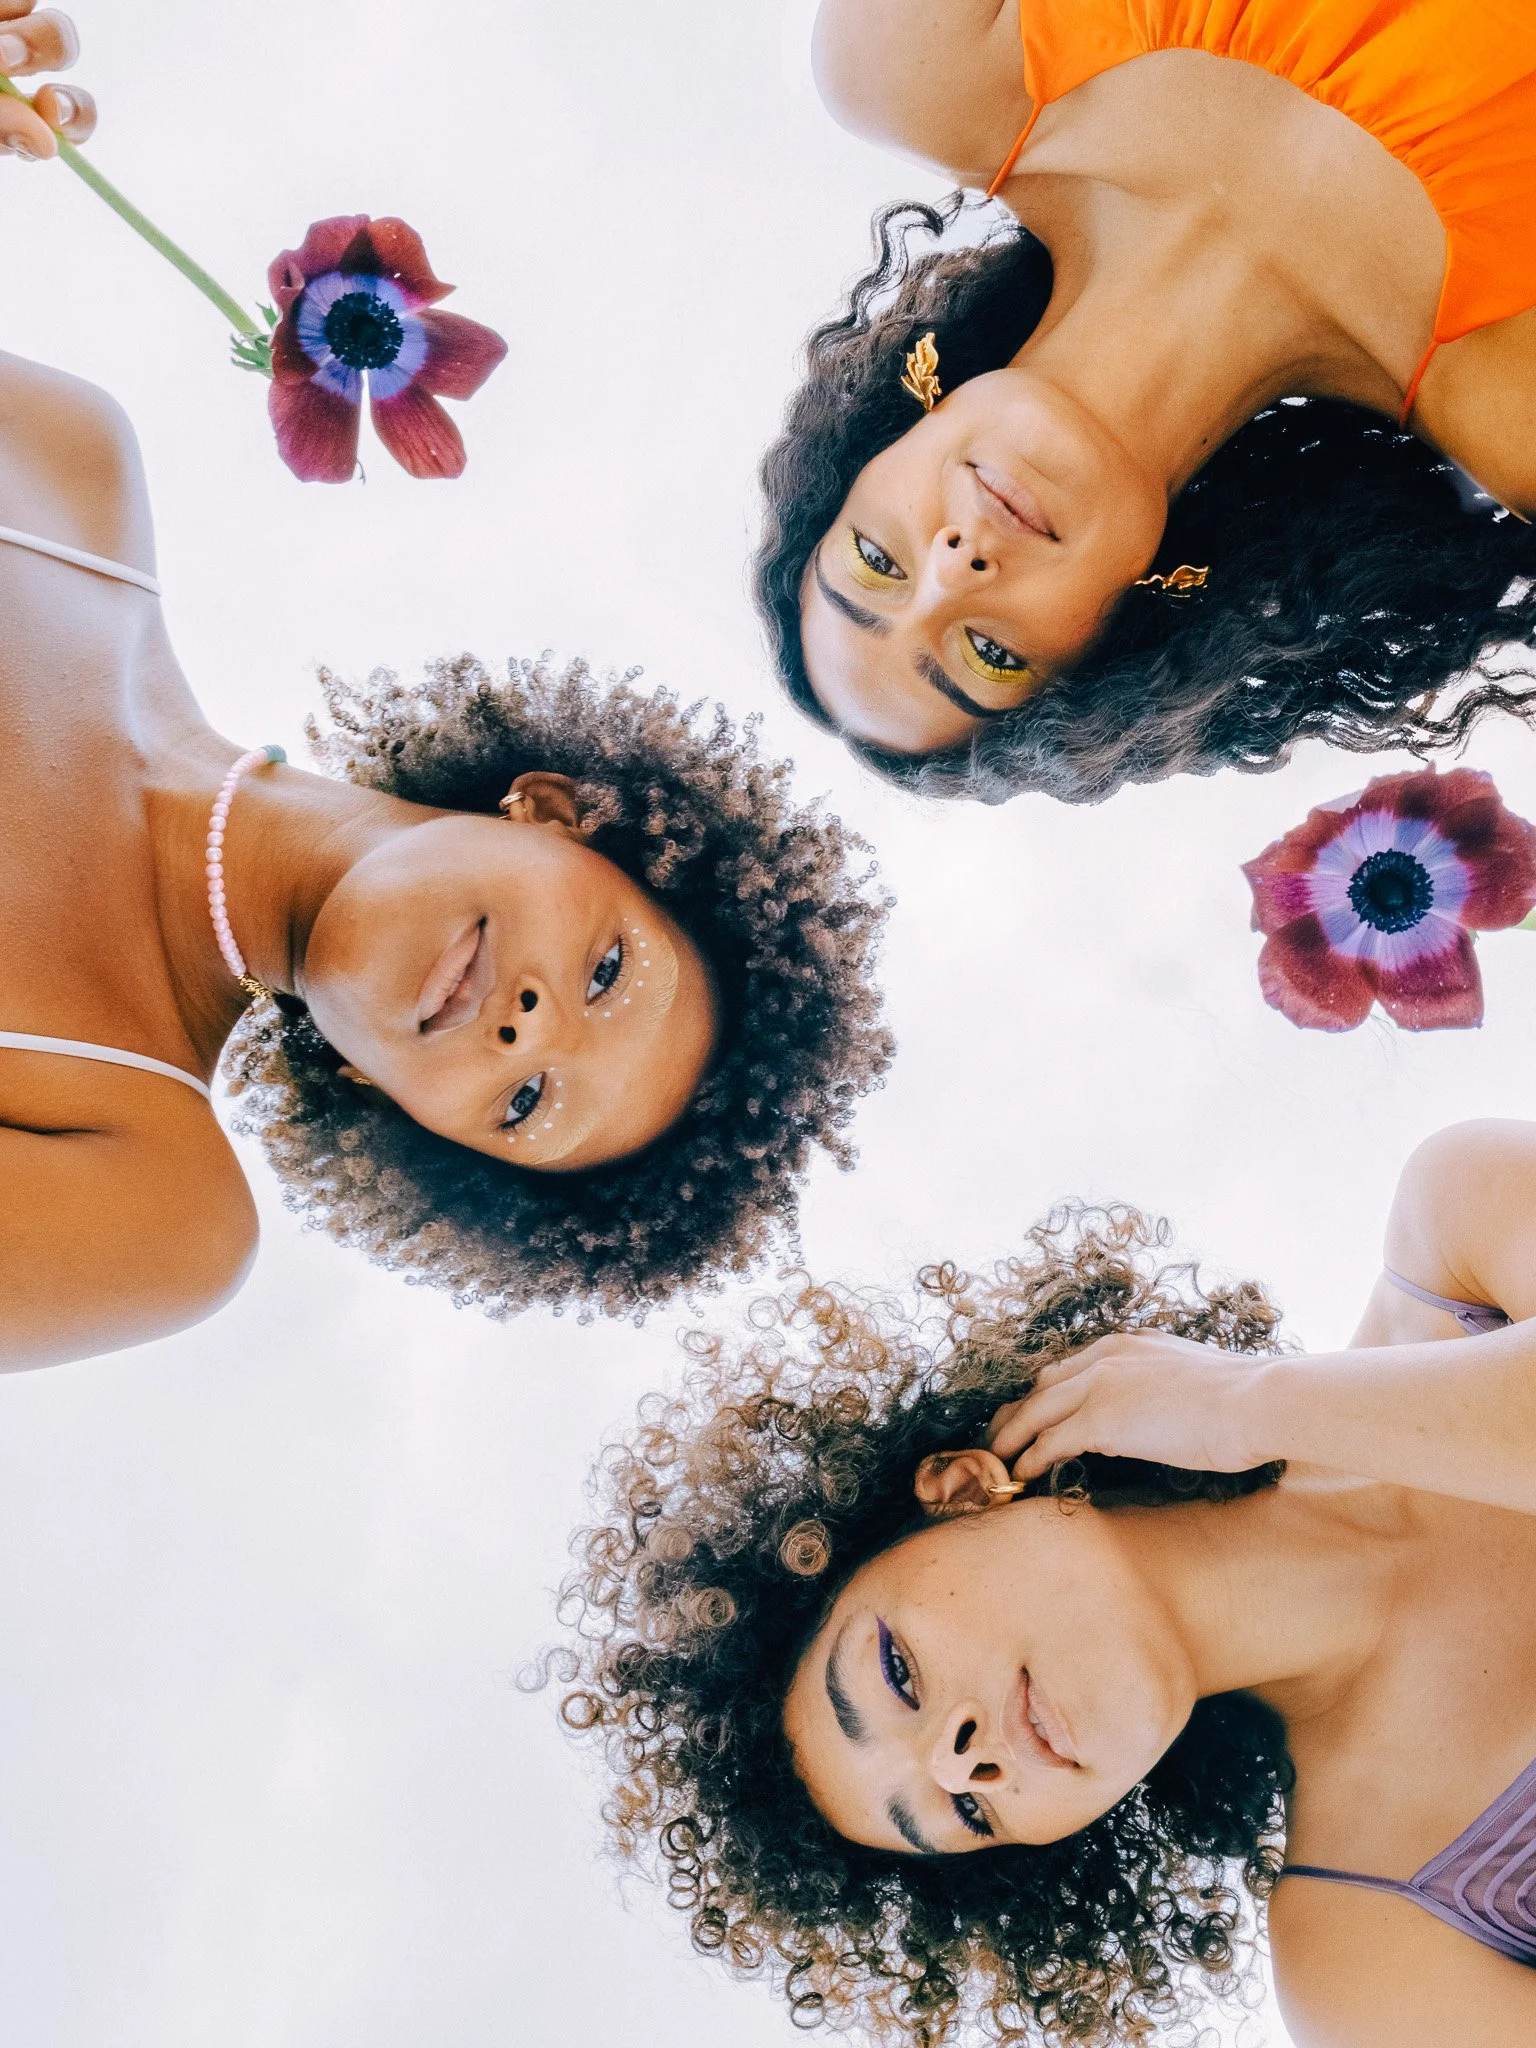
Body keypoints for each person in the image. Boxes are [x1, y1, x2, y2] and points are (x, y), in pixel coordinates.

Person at [0, 11, 891, 1368]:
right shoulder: (65, 473)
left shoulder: (152, 1203)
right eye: (605, 971)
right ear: (553, 810)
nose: (528, 1029)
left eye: (526, 1102)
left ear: (395, 1107)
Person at [561, 1120, 1536, 2045]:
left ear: (964, 1489)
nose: (959, 1765)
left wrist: (1247, 1405)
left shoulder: (1456, 1231)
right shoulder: (1371, 1952)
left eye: (898, 1674)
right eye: (966, 1816)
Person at [756, 0, 1536, 802]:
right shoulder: (1519, 416)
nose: (954, 570)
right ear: (1121, 633)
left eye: (876, 561)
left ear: (875, 450)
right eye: (990, 654)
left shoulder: (914, 70)